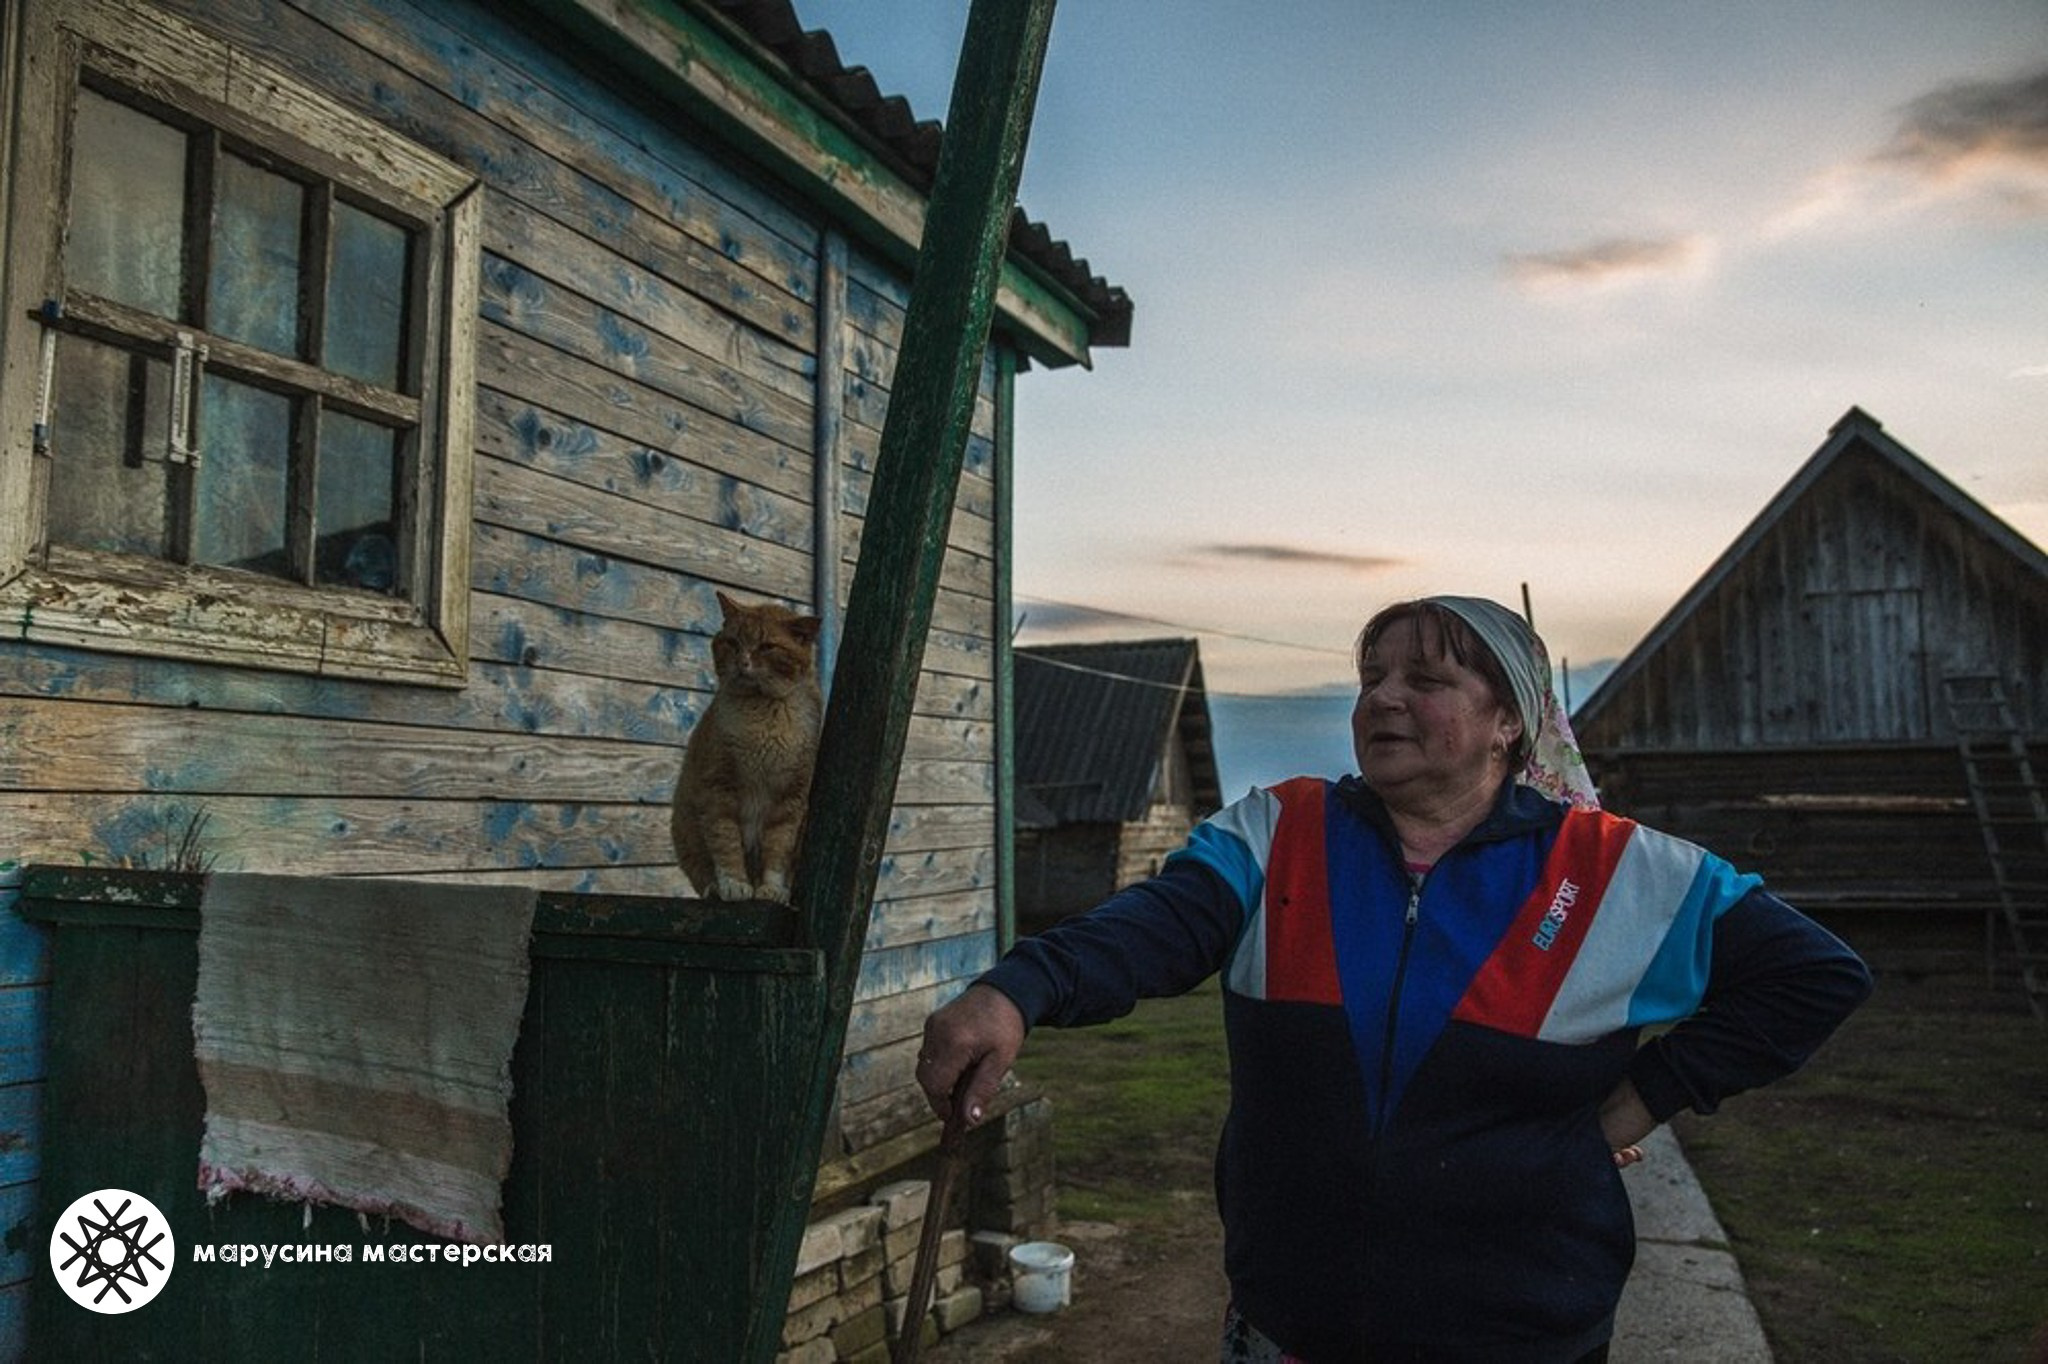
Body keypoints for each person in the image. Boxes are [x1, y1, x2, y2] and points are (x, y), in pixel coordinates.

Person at [916, 595, 1872, 1363]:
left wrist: (1646, 1098)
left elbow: (1813, 975)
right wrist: (1016, 989)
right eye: (1372, 677)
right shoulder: (1278, 831)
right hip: (1290, 1322)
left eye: (1427, 679)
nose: (1382, 698)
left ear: (1510, 721)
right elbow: (1156, 924)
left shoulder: (1622, 873)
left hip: (1522, 1330)